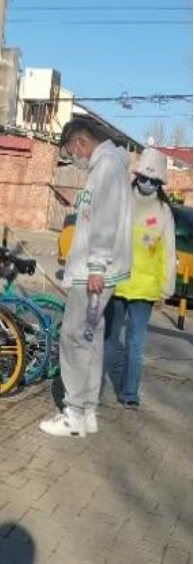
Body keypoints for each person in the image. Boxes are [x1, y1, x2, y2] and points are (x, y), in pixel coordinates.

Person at [40, 119, 133, 437]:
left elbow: (104, 222)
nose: (73, 159)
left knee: (74, 339)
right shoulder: (112, 166)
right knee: (90, 340)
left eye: (70, 152)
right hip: (97, 270)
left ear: (80, 142)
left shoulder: (106, 167)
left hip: (91, 273)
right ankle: (87, 411)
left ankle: (74, 414)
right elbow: (97, 216)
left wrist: (96, 266)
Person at [104, 148, 176, 409]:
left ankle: (129, 394)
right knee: (109, 340)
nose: (147, 183)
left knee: (135, 345)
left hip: (145, 290)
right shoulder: (122, 201)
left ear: (160, 183)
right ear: (137, 176)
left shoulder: (164, 212)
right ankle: (94, 388)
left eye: (153, 180)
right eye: (144, 177)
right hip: (117, 283)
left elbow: (169, 254)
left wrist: (166, 289)